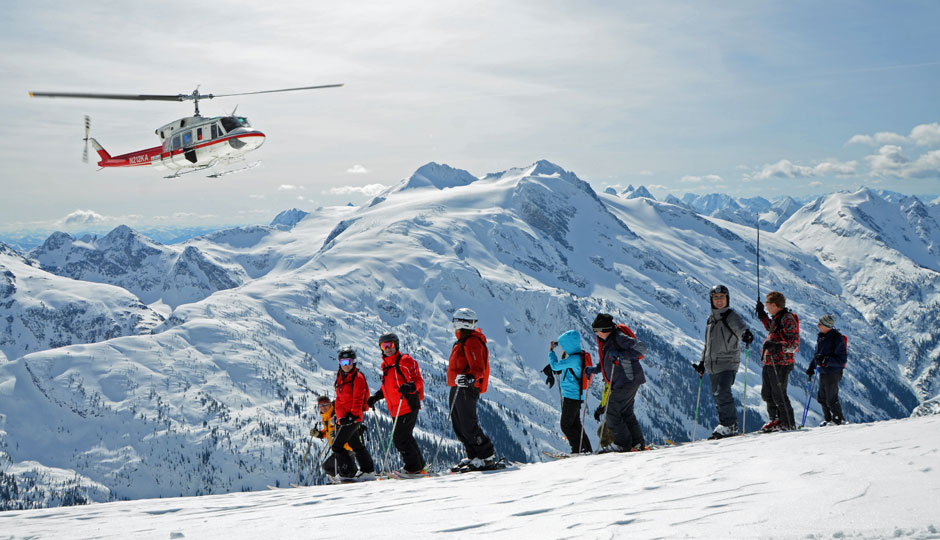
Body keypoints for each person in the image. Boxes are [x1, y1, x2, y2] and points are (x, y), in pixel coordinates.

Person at [695, 285, 754, 439]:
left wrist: (746, 334)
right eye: (716, 298)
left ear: (727, 299)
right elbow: (708, 344)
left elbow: (741, 328)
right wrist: (702, 362)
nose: (719, 300)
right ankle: (726, 424)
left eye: (722, 297)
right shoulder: (710, 320)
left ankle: (730, 425)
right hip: (712, 364)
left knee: (722, 392)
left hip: (728, 362)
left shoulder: (730, 316)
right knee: (718, 396)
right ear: (711, 300)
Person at [367, 332, 427, 474]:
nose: (387, 348)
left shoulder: (405, 361)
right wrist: (376, 396)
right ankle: (419, 465)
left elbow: (418, 380)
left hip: (407, 404)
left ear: (396, 345)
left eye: (390, 345)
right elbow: (388, 386)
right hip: (395, 408)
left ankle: (413, 467)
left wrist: (410, 386)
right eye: (384, 345)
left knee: (401, 438)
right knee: (405, 436)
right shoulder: (386, 365)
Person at [587, 313, 648, 452]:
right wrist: (594, 370)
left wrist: (622, 355)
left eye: (596, 330)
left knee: (611, 412)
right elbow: (608, 362)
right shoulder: (606, 341)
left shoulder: (618, 337)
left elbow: (641, 348)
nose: (595, 333)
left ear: (604, 330)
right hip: (625, 381)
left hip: (627, 380)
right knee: (626, 413)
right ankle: (637, 443)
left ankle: (622, 444)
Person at [447, 307, 497, 471]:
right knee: (459, 425)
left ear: (461, 322)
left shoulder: (472, 342)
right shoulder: (463, 340)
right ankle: (473, 456)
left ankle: (486, 456)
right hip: (457, 386)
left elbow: (478, 368)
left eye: (455, 320)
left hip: (467, 388)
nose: (453, 324)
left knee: (468, 424)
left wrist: (469, 378)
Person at [756, 291, 800, 432]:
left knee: (779, 393)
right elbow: (772, 328)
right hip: (770, 362)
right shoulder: (777, 318)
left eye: (767, 304)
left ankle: (787, 423)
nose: (766, 306)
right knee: (767, 394)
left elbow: (794, 344)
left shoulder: (787, 318)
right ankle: (775, 420)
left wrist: (777, 346)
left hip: (781, 362)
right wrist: (762, 315)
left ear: (774, 305)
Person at [330, 346, 376, 479]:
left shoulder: (357, 377)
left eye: (348, 362)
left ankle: (347, 473)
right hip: (344, 417)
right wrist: (337, 416)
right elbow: (340, 400)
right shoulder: (341, 377)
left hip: (353, 418)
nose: (345, 366)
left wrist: (352, 416)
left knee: (337, 446)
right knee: (355, 444)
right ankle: (368, 471)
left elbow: (358, 398)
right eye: (343, 363)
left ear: (354, 362)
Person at [547, 330, 593, 454]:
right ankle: (586, 449)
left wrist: (551, 352)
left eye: (564, 345)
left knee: (566, 425)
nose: (563, 348)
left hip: (571, 396)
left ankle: (578, 449)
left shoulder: (574, 359)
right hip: (576, 395)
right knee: (576, 425)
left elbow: (555, 366)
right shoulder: (579, 357)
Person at [806, 314, 848, 426]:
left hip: (833, 372)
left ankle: (838, 420)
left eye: (820, 323)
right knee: (822, 398)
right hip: (824, 372)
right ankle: (828, 419)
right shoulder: (821, 337)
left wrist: (826, 360)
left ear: (827, 325)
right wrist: (811, 367)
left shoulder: (836, 338)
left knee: (831, 398)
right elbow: (817, 356)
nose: (817, 325)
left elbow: (842, 359)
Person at [311, 395, 355, 477]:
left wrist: (338, 429)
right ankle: (346, 478)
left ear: (330, 404)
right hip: (339, 448)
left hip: (345, 447)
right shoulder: (325, 417)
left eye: (325, 404)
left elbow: (344, 425)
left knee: (328, 467)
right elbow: (327, 431)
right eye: (321, 405)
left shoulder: (336, 414)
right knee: (333, 467)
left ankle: (347, 478)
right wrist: (319, 434)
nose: (323, 407)